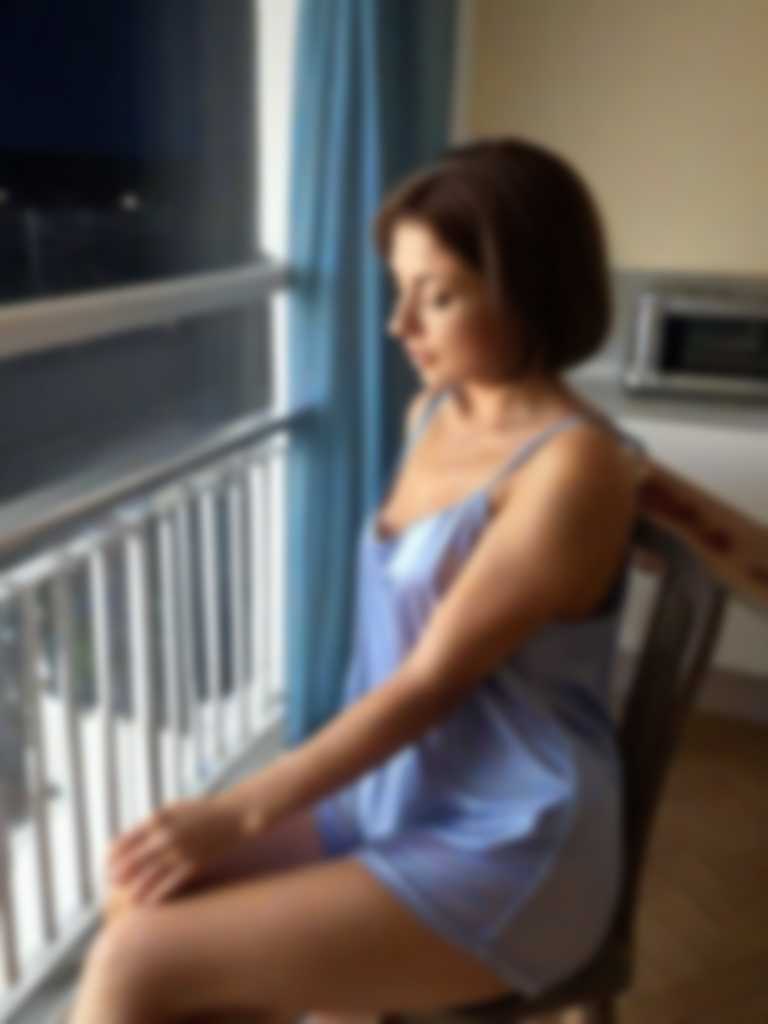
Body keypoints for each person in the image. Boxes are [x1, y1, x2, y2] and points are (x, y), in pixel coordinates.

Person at [67, 137, 646, 1024]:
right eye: (399, 290)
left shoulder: (575, 468)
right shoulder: (433, 413)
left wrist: (240, 811)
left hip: (510, 834)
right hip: (395, 792)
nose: (399, 326)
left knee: (136, 961)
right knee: (142, 891)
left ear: (530, 289)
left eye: (437, 296)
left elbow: (426, 685)